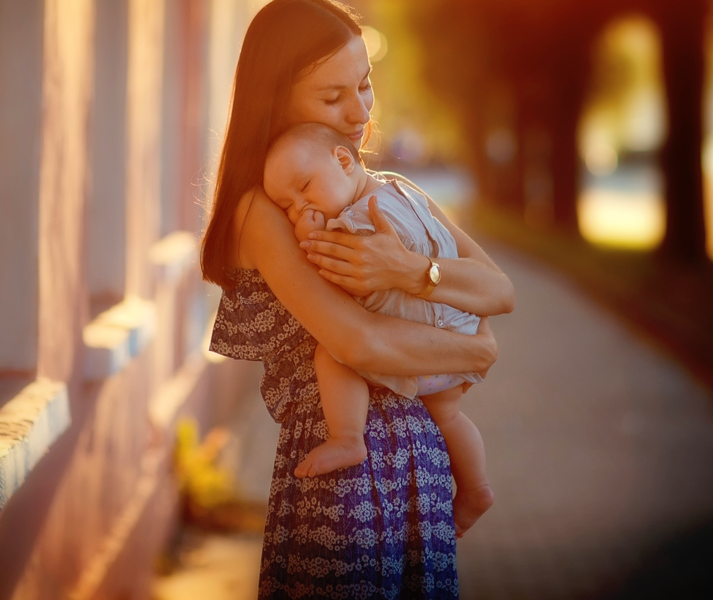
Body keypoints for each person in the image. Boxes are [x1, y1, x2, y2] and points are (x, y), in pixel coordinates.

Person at [201, 1, 514, 597]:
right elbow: (356, 340)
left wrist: (409, 269)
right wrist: (466, 351)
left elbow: (499, 289)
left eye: (365, 85)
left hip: (419, 455)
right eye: (331, 96)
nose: (359, 111)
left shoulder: (386, 192)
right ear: (276, 97)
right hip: (344, 470)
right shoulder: (264, 210)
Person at [261, 122, 495, 539]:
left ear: (344, 160)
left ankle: (348, 437)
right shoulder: (404, 192)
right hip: (453, 334)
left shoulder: (355, 222)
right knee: (450, 415)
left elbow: (342, 279)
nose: (300, 208)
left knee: (332, 351)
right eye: (289, 206)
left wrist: (311, 234)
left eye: (305, 188)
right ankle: (476, 488)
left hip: (412, 341)